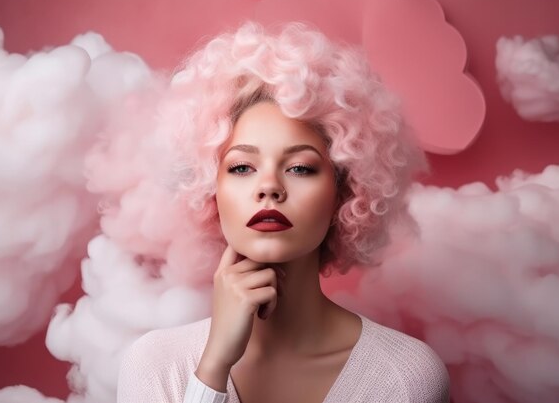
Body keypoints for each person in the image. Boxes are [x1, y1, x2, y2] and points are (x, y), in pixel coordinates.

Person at [117, 22, 450, 403]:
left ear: (345, 191)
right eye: (242, 167)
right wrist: (213, 369)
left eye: (300, 168)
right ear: (210, 190)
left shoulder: (405, 376)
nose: (269, 186)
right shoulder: (154, 365)